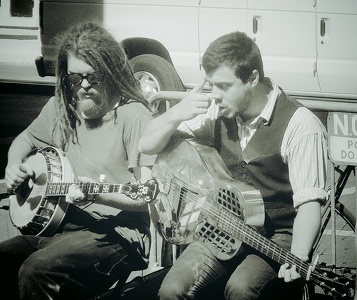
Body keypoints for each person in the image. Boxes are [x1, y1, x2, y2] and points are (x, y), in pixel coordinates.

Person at [138, 31, 328, 300]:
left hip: (277, 237)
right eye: (211, 85)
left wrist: (297, 256)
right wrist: (176, 113)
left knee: (241, 289)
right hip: (220, 230)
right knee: (171, 291)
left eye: (224, 86)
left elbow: (310, 203)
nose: (214, 95)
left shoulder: (300, 125)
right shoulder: (217, 112)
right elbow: (146, 145)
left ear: (252, 78)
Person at [2, 22, 157, 300]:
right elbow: (24, 140)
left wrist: (97, 195)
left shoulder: (134, 117)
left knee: (36, 271)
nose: (83, 86)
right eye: (75, 79)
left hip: (118, 234)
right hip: (61, 225)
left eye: (92, 77)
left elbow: (147, 196)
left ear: (110, 73)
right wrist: (13, 166)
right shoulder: (64, 108)